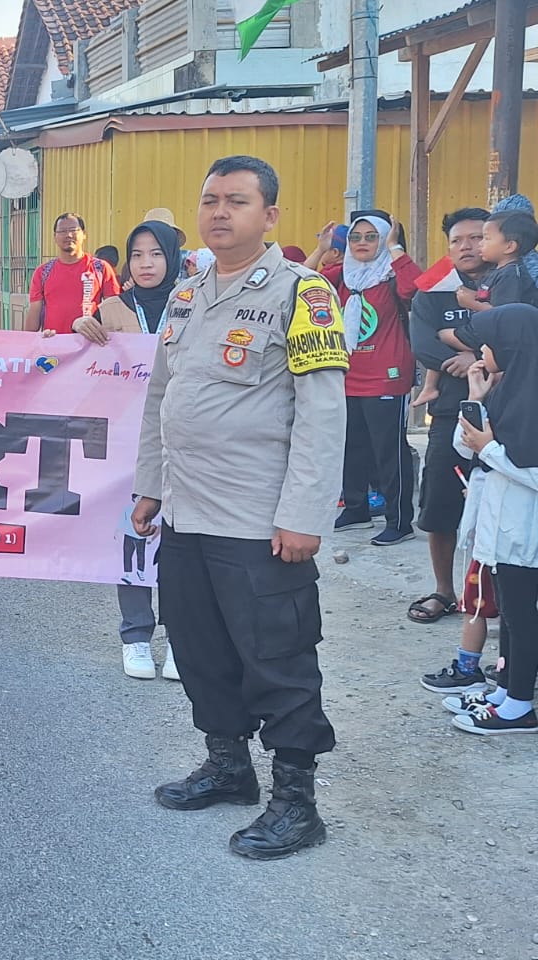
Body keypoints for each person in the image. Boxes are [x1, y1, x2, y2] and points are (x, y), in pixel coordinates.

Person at [133, 155, 346, 861]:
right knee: (199, 650)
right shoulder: (188, 295)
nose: (220, 212)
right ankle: (229, 767)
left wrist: (305, 516)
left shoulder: (304, 293)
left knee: (278, 661)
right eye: (210, 200)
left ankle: (297, 802)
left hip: (259, 521)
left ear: (270, 216)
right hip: (188, 515)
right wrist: (150, 485)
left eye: (237, 201)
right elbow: (162, 397)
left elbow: (322, 413)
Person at [73, 220, 185, 682]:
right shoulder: (114, 307)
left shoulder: (193, 301)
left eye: (156, 254)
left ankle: (181, 639)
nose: (146, 264)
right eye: (137, 255)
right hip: (128, 445)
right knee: (134, 539)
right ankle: (137, 636)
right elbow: (80, 360)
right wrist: (79, 327)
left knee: (183, 544)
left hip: (184, 442)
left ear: (172, 258)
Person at [450, 305, 538, 735]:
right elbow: (465, 447)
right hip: (503, 531)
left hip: (528, 533)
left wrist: (490, 451)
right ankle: (506, 690)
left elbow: (529, 469)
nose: (482, 351)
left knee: (523, 617)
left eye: (488, 343)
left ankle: (520, 703)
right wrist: (476, 397)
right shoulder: (508, 390)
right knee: (510, 615)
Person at [315, 211, 422, 547]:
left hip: (387, 376)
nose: (362, 243)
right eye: (356, 237)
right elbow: (301, 282)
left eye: (371, 237)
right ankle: (357, 507)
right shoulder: (344, 276)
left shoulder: (391, 275)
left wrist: (395, 249)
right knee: (350, 446)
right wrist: (320, 251)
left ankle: (400, 520)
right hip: (348, 375)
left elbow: (415, 288)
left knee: (389, 451)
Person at [409, 208, 491, 630]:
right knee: (439, 503)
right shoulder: (432, 293)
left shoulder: (514, 284)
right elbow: (423, 344)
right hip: (451, 413)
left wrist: (475, 356)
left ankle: (497, 596)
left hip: (508, 414)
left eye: (476, 238)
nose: (467, 246)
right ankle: (445, 589)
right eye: (458, 240)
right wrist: (454, 358)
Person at [26, 212, 120, 334]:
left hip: (89, 345)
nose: (68, 235)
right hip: (53, 344)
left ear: (84, 234)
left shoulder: (101, 268)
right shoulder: (42, 272)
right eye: (62, 231)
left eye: (73, 230)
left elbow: (113, 312)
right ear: (55, 237)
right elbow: (33, 319)